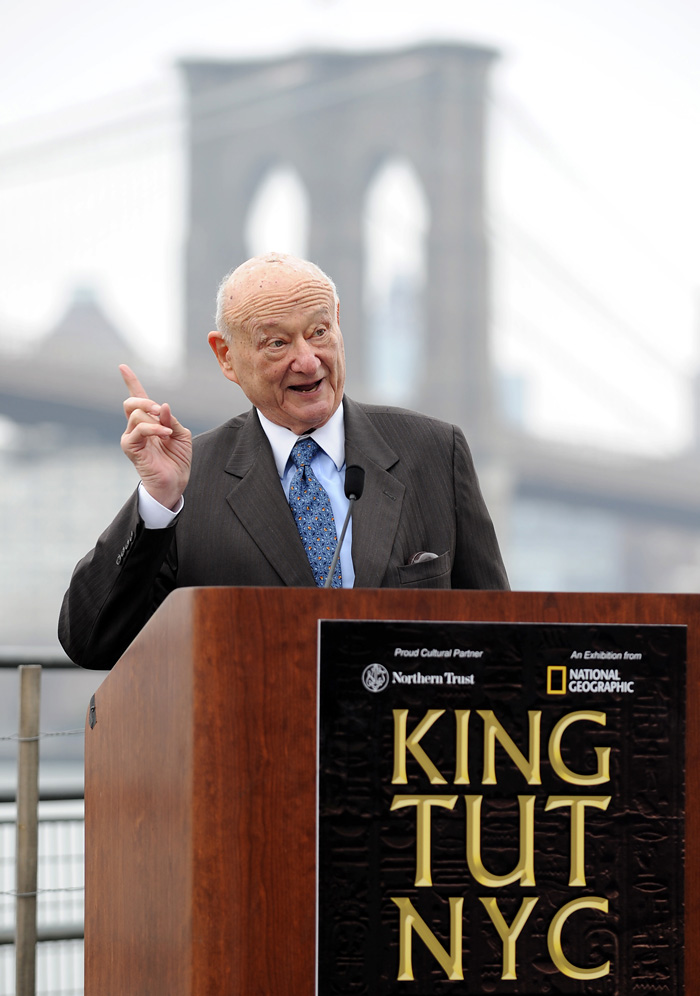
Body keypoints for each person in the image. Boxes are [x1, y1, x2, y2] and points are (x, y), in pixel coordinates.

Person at [59, 252, 509, 669]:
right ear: (226, 356)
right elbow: (93, 641)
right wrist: (157, 502)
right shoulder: (190, 479)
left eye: (319, 332)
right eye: (277, 343)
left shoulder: (434, 451)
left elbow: (505, 637)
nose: (308, 361)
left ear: (339, 324)